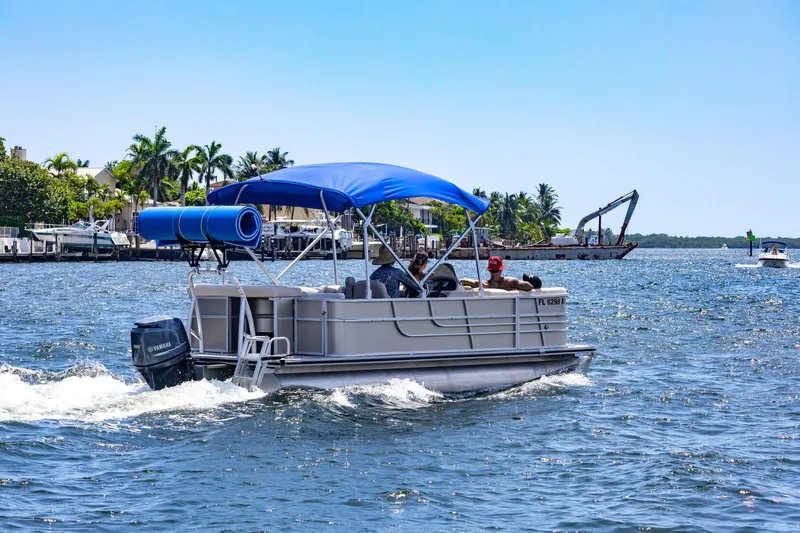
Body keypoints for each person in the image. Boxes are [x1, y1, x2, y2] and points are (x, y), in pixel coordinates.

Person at [460, 256, 534, 291]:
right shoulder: (510, 281)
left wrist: (476, 283)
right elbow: (529, 287)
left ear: (489, 270)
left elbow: (461, 282)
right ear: (501, 269)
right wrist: (516, 286)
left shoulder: (483, 284)